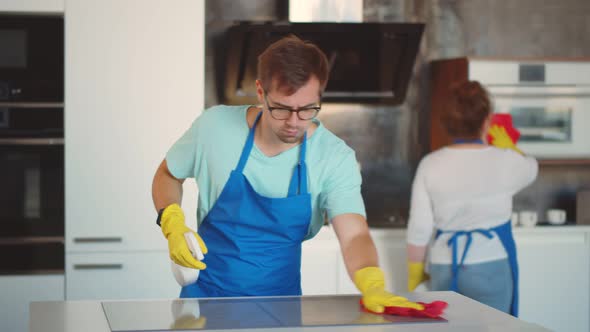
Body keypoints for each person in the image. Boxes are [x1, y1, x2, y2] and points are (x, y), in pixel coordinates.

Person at [151, 35, 422, 313]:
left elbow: (354, 235)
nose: (294, 122)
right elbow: (167, 175)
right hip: (202, 302)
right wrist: (171, 220)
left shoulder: (333, 157)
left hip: (281, 308)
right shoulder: (214, 127)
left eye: (307, 110)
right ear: (260, 91)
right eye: (281, 109)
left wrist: (371, 281)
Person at [406, 81, 538, 316]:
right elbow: (532, 168)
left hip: (444, 263)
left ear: (446, 123)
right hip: (491, 263)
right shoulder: (505, 160)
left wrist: (416, 270)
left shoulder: (430, 164)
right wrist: (512, 148)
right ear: (487, 120)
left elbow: (419, 227)